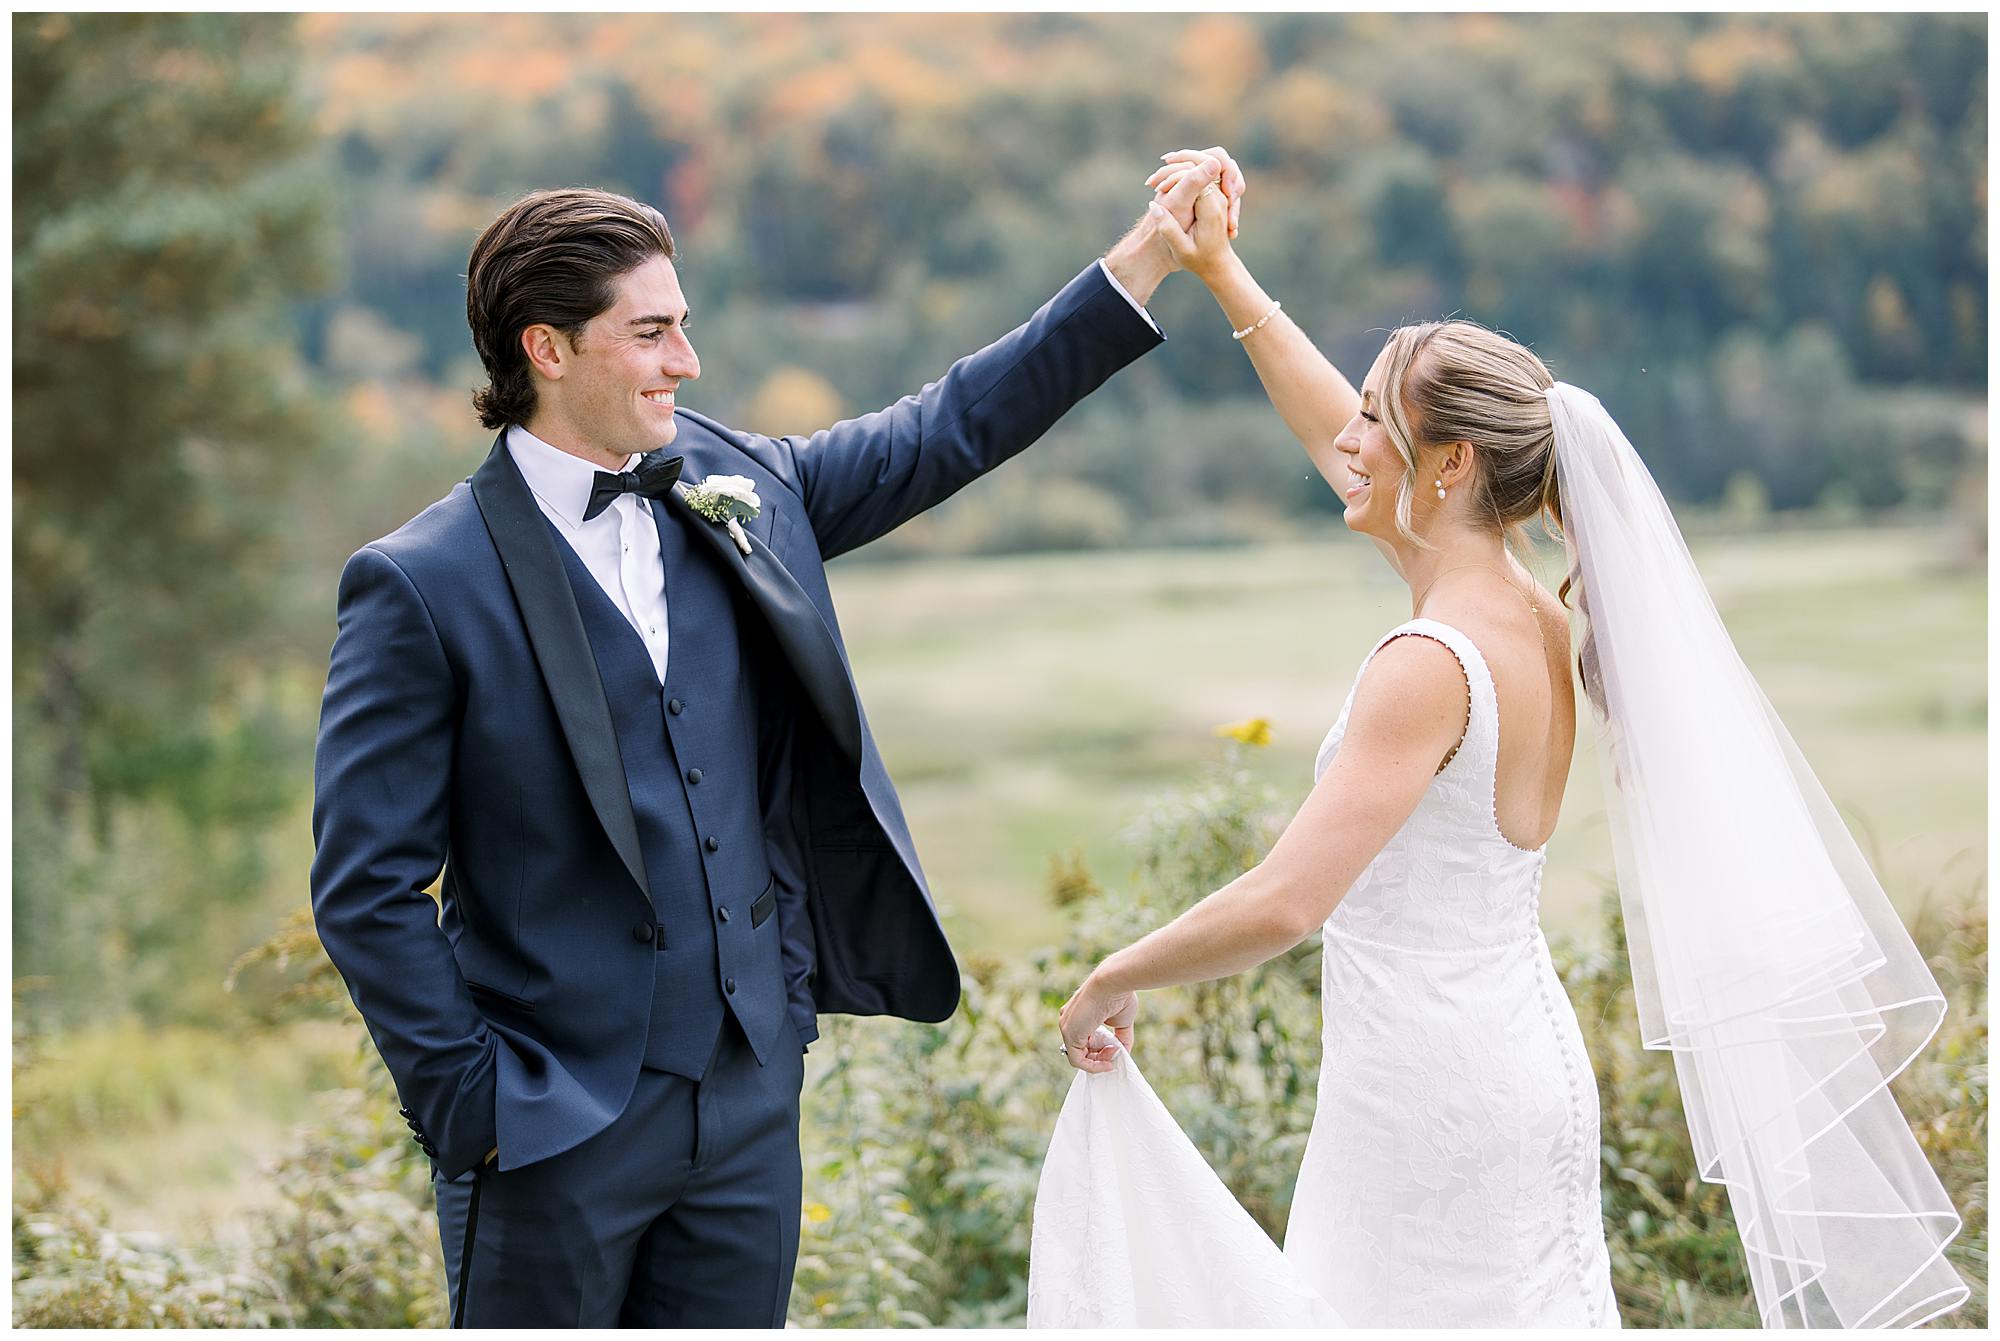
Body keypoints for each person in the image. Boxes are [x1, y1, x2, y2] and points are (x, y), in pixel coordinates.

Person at [308, 150, 1244, 1328]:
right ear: (546, 348)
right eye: (650, 333)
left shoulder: (736, 484)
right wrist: (477, 1108)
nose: (685, 361)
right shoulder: (419, 582)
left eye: (682, 326)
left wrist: (1148, 253)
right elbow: (365, 888)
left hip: (750, 1100)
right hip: (548, 1129)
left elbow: (947, 427)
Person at [1039, 156, 1966, 1329]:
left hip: (1424, 1103)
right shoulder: (1527, 612)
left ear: (1451, 465)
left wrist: (1109, 977)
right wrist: (1219, 270)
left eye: (1378, 421)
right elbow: (1333, 436)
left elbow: (1285, 902)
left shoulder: (1425, 665)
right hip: (1514, 1071)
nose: (1351, 439)